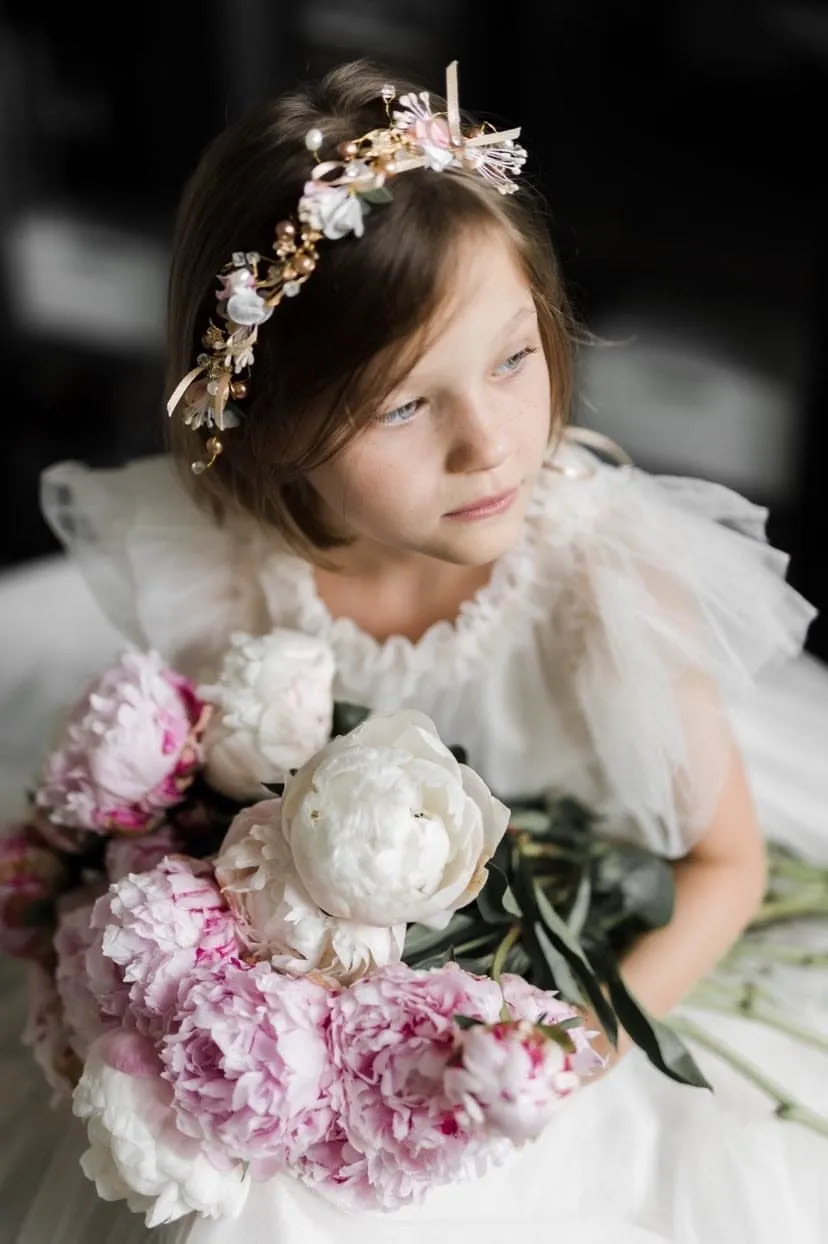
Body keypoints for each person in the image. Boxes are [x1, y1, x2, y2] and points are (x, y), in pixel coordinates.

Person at [2, 58, 827, 1244]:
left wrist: (560, 1049)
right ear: (269, 424)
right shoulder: (222, 562)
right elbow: (217, 794)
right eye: (403, 405)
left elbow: (722, 870)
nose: (489, 443)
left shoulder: (599, 580)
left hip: (574, 986)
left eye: (512, 358)